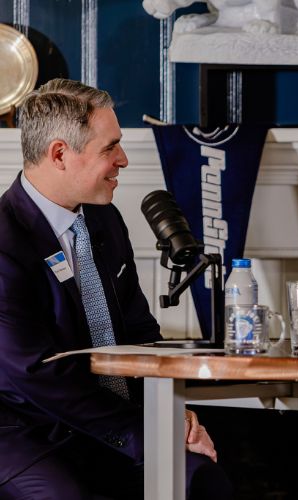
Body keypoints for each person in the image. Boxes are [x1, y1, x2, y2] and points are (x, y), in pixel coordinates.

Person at [0, 78, 233, 499]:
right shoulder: (4, 240)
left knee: (200, 477)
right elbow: (36, 372)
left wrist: (174, 415)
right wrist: (146, 434)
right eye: (110, 147)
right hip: (28, 433)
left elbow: (139, 334)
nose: (123, 159)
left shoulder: (106, 222)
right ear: (59, 154)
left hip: (112, 424)